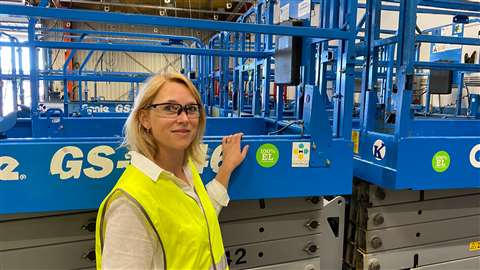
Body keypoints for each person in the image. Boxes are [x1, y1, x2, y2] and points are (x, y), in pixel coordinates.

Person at [95, 72, 249, 270]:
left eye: (191, 109)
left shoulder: (185, 169)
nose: (184, 118)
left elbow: (201, 214)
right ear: (144, 118)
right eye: (169, 108)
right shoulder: (130, 203)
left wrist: (226, 167)